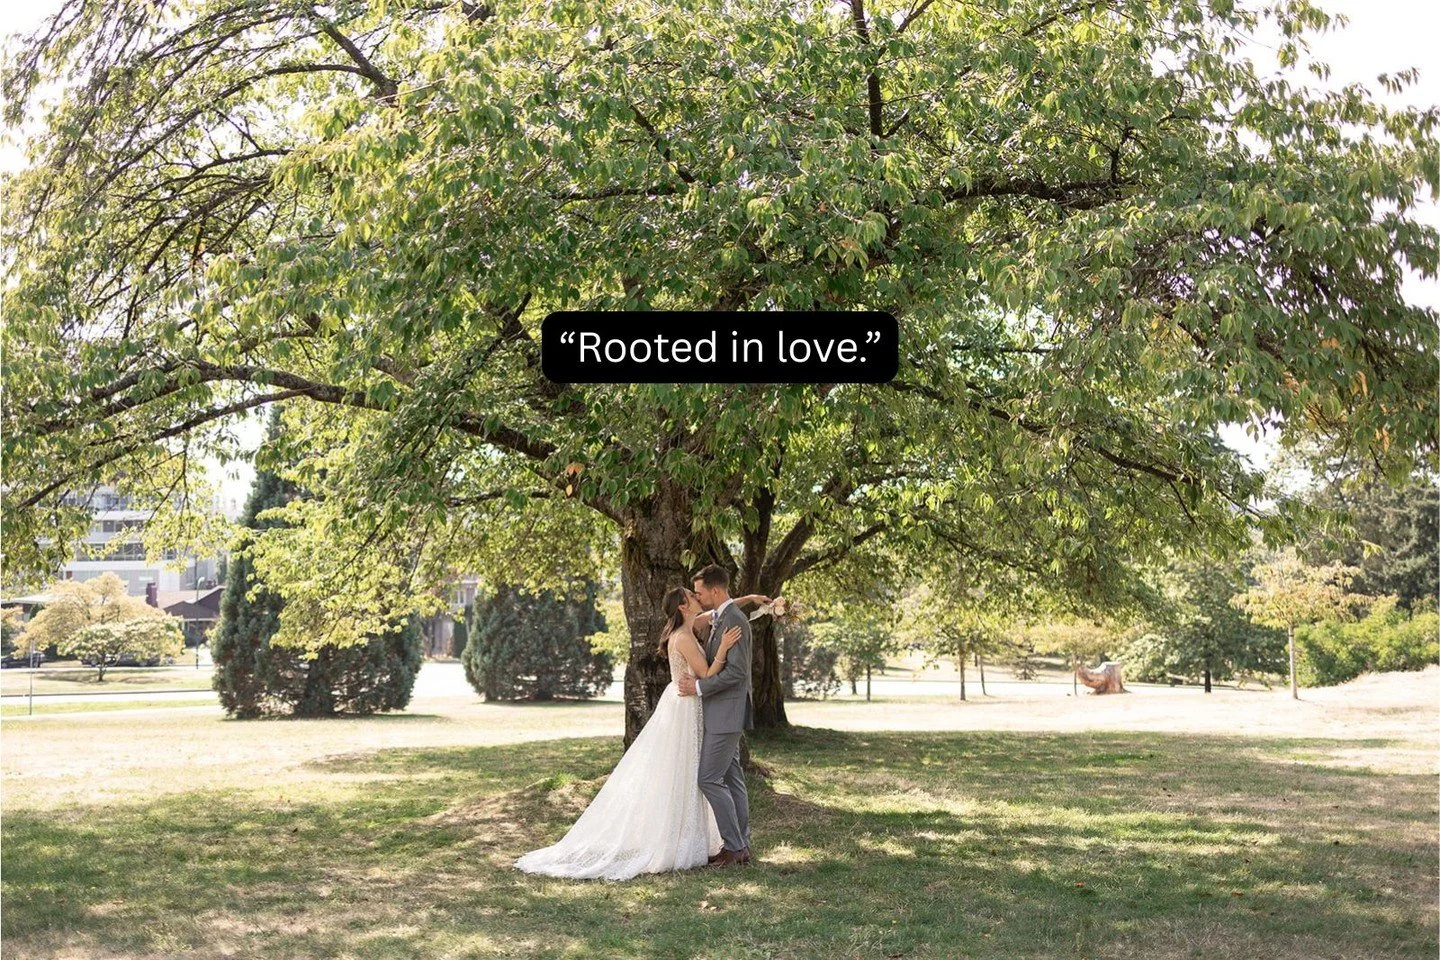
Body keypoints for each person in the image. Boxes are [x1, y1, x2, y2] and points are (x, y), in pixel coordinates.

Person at [512, 583, 766, 880]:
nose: (698, 598)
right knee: (691, 773)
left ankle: (731, 843)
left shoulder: (693, 623)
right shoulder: (683, 636)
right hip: (686, 705)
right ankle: (710, 842)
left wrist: (749, 599)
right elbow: (708, 673)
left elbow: (721, 607)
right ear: (684, 606)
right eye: (692, 596)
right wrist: (722, 649)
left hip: (691, 704)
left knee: (707, 772)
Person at [676, 563, 756, 867]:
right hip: (721, 711)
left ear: (714, 590)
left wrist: (698, 687)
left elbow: (736, 673)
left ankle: (734, 847)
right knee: (732, 778)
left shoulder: (734, 621)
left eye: (699, 592)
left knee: (708, 778)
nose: (697, 597)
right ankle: (741, 845)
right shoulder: (722, 617)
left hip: (726, 711)